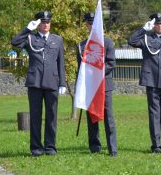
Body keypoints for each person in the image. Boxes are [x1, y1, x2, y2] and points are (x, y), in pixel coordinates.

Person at [11, 10, 67, 156]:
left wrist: (62, 83)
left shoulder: (57, 40)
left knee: (52, 116)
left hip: (52, 82)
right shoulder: (30, 38)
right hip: (35, 83)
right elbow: (15, 42)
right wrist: (27, 29)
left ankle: (50, 147)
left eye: (48, 22)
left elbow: (61, 62)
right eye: (43, 22)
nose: (46, 25)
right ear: (38, 24)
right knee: (35, 117)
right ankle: (36, 148)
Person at [128, 12, 161, 154]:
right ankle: (156, 145)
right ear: (153, 25)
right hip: (152, 82)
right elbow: (131, 41)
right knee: (154, 115)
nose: (159, 26)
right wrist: (143, 29)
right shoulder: (146, 39)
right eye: (156, 24)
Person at [77, 12, 117, 156]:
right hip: (90, 86)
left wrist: (98, 73)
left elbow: (111, 63)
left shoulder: (108, 42)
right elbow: (81, 68)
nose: (92, 26)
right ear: (87, 25)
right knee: (91, 117)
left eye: (95, 23)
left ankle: (112, 148)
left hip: (104, 85)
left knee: (108, 117)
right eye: (90, 23)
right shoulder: (82, 45)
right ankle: (94, 147)